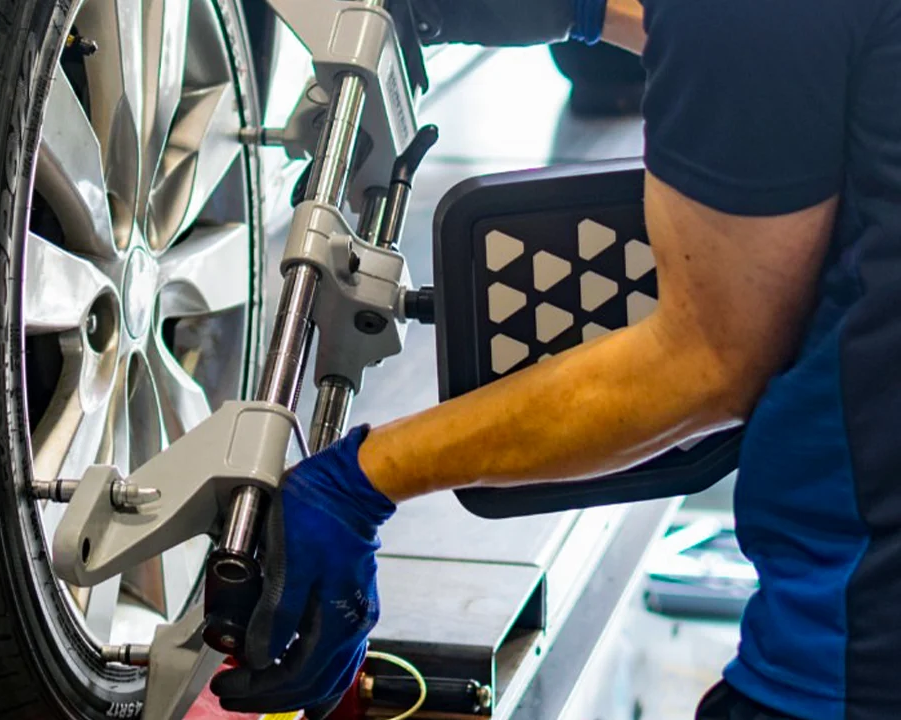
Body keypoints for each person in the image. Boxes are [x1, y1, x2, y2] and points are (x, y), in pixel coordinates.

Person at [211, 0, 901, 718]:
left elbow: (705, 364)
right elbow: (798, 52)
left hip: (860, 662)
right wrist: (596, 12)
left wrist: (362, 478)